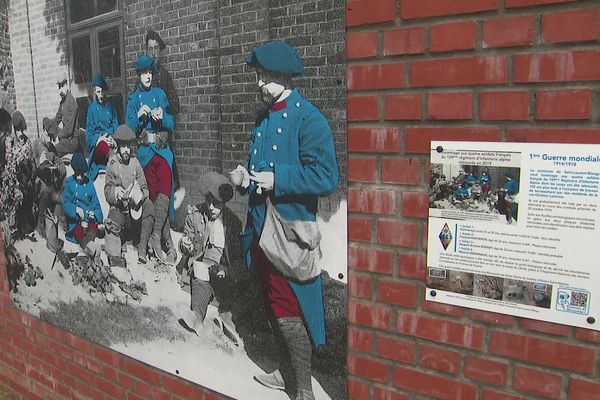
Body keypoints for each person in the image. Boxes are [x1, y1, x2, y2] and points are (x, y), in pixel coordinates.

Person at [232, 40, 339, 400]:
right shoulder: (263, 118)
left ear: (281, 75)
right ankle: (284, 372)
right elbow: (259, 166)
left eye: (262, 76)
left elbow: (327, 176)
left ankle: (304, 390)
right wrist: (246, 176)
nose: (257, 82)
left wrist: (280, 179)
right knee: (273, 305)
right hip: (261, 226)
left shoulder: (309, 118)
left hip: (290, 231)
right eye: (258, 75)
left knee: (289, 308)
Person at [177, 172, 242, 344]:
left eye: (216, 204)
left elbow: (238, 259)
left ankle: (227, 322)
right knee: (200, 281)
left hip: (223, 269)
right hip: (203, 265)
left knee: (236, 289)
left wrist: (227, 271)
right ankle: (197, 317)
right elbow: (186, 242)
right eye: (208, 202)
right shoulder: (196, 216)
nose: (211, 207)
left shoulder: (233, 224)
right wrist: (185, 245)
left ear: (224, 203)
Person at [125, 55, 176, 264]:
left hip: (161, 151)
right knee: (152, 193)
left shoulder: (160, 94)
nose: (147, 76)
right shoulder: (133, 99)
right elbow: (127, 131)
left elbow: (172, 123)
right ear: (138, 75)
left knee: (165, 183)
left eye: (149, 72)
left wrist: (162, 115)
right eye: (143, 73)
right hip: (145, 153)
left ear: (153, 74)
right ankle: (164, 240)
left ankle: (154, 239)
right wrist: (138, 118)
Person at [104, 125, 153, 268]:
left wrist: (138, 195)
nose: (126, 150)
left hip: (133, 213)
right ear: (118, 146)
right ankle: (119, 246)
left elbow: (145, 189)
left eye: (128, 146)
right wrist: (115, 192)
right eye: (123, 146)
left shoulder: (135, 163)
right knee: (112, 223)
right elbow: (107, 191)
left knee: (149, 205)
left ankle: (142, 247)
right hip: (119, 209)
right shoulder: (112, 163)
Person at [146, 29, 183, 194]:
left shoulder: (165, 75)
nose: (153, 53)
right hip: (147, 134)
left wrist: (163, 108)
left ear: (160, 52)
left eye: (156, 48)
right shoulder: (142, 75)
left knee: (169, 180)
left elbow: (176, 104)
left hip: (163, 133)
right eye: (150, 49)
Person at [62, 152, 104, 266]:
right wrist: (75, 209)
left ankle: (93, 251)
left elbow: (97, 205)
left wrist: (94, 214)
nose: (80, 177)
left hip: (89, 221)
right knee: (78, 231)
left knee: (92, 229)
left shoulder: (89, 184)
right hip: (76, 221)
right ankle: (89, 248)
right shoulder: (70, 183)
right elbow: (65, 203)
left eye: (82, 174)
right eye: (78, 174)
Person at [85, 73, 119, 182]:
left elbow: (116, 125)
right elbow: (88, 137)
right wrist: (99, 139)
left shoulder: (110, 106)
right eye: (98, 92)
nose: (101, 95)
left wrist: (113, 139)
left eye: (103, 92)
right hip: (98, 149)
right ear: (94, 91)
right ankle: (117, 167)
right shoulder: (91, 109)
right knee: (104, 146)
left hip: (111, 142)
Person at [52, 77, 81, 157]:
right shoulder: (63, 102)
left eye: (62, 86)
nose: (60, 90)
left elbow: (68, 130)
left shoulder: (72, 103)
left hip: (71, 141)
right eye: (59, 87)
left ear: (67, 85)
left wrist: (58, 137)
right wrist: (48, 128)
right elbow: (56, 119)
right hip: (65, 138)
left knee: (52, 151)